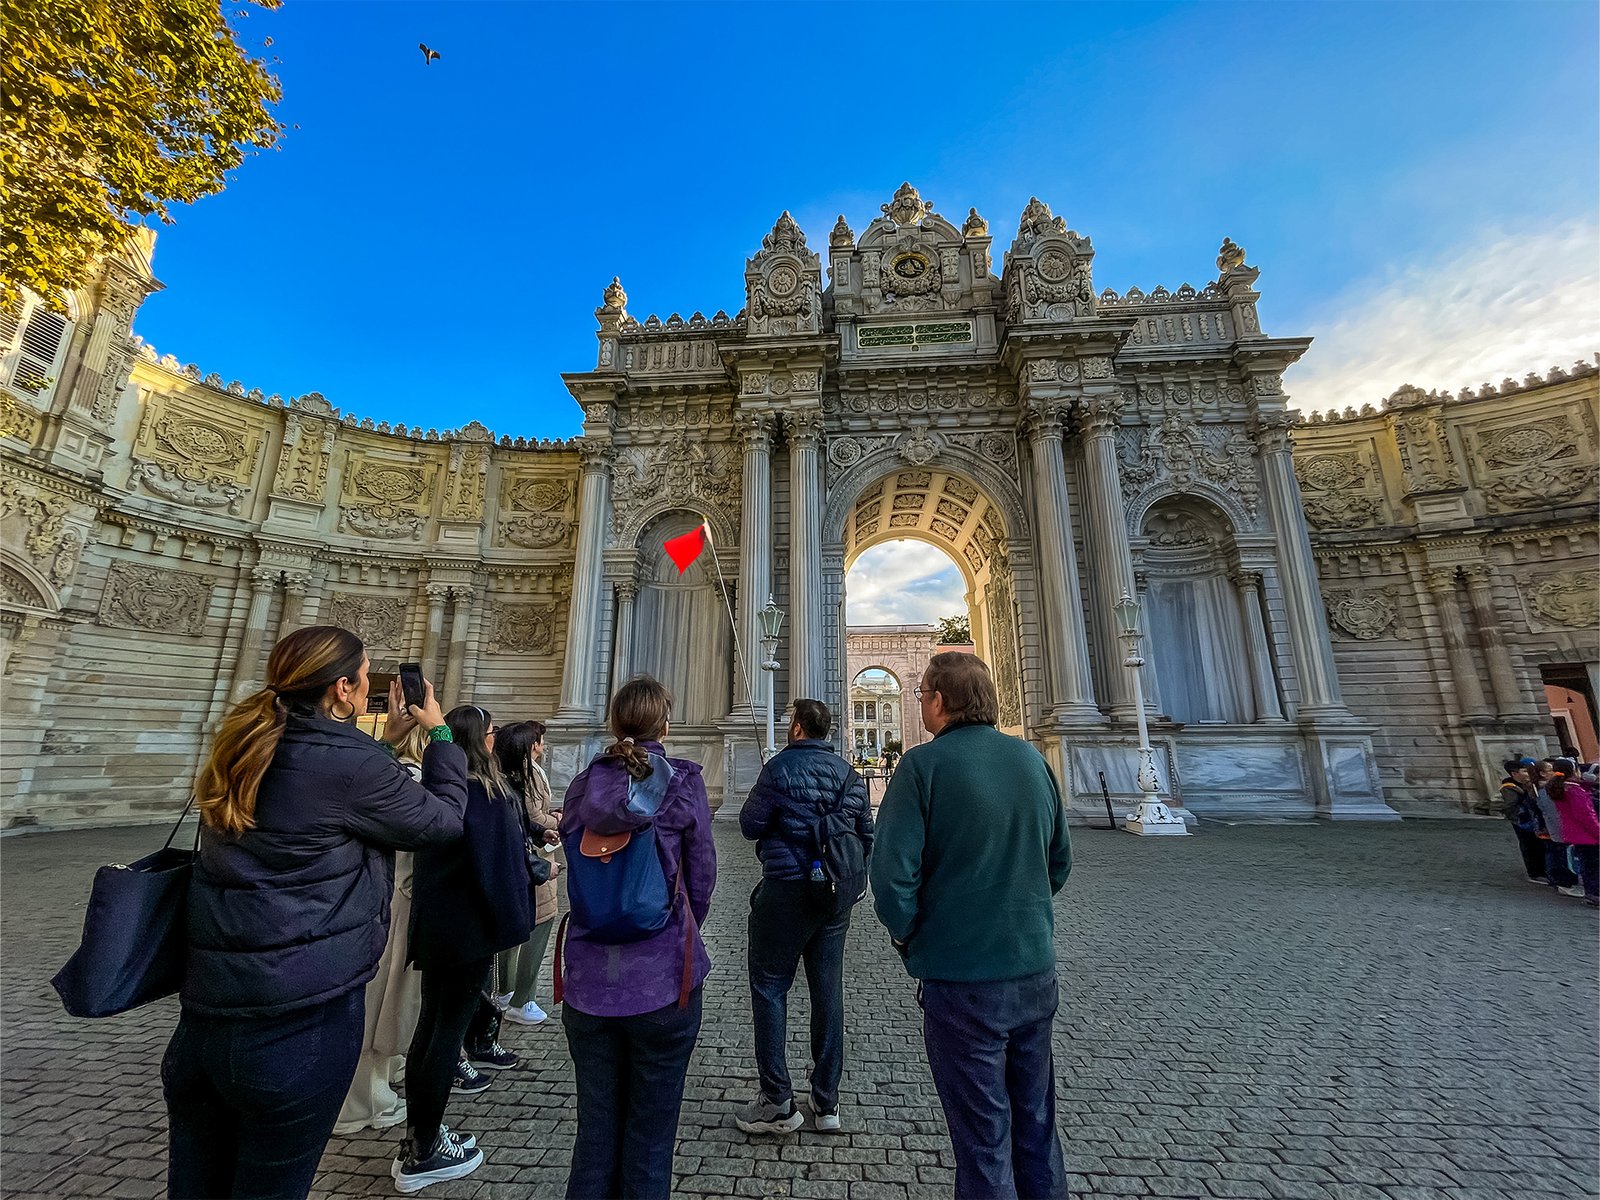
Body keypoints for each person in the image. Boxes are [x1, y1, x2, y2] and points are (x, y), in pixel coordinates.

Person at [163, 626, 468, 1200]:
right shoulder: (348, 764)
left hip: (206, 1017)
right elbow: (444, 821)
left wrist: (379, 746)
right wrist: (441, 735)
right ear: (343, 689)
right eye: (364, 677)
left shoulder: (241, 746)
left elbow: (316, 794)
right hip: (297, 1021)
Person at [871, 652, 1071, 1200]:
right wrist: (1019, 910)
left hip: (961, 981)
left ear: (938, 700)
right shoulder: (1032, 761)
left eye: (922, 696)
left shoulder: (922, 767)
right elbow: (1059, 863)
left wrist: (910, 934)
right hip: (1034, 971)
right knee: (1036, 1123)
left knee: (983, 1137)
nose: (920, 704)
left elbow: (891, 880)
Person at [556, 676, 716, 1200]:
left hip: (587, 985)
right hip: (661, 981)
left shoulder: (582, 786)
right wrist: (678, 924)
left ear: (613, 722)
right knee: (650, 1138)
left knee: (595, 1132)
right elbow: (702, 878)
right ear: (665, 726)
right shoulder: (684, 782)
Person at [399, 705, 532, 1193]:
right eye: (492, 732)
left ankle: (417, 1138)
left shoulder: (441, 792)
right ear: (480, 739)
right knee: (445, 1035)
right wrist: (511, 924)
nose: (497, 739)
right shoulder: (486, 793)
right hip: (471, 932)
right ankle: (425, 1150)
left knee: (431, 1029)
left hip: (437, 930)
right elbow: (498, 871)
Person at [735, 698, 872, 1135]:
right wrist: (841, 873)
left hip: (785, 891)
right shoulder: (850, 776)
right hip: (832, 899)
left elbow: (750, 825)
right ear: (826, 731)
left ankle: (777, 1099)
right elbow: (866, 835)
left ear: (796, 728)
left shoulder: (777, 770)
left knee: (770, 988)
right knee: (828, 993)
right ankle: (826, 1101)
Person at [495, 720, 562, 1025]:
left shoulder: (501, 772)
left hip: (527, 853)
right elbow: (532, 815)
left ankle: (505, 991)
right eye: (540, 741)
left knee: (515, 925)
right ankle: (523, 998)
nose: (543, 746)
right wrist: (556, 821)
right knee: (540, 922)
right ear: (531, 745)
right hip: (534, 861)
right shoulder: (528, 773)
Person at [1549, 758, 1600, 906]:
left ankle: (1592, 892)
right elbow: (1586, 816)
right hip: (1587, 834)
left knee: (1588, 864)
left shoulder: (1561, 788)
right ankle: (1595, 892)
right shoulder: (1574, 791)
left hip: (1576, 833)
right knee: (1593, 865)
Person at [1534, 760, 1585, 898]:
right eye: (1549, 769)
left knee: (1561, 855)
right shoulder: (1552, 790)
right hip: (1560, 829)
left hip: (1557, 828)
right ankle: (1564, 883)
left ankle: (1563, 881)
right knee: (1562, 856)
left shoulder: (1548, 789)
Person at [1498, 758, 1548, 886]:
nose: (1527, 773)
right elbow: (1510, 806)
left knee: (1538, 844)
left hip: (1531, 819)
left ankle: (1542, 870)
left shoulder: (1526, 783)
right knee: (1529, 845)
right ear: (1514, 773)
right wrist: (1517, 817)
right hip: (1522, 820)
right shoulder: (1509, 788)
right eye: (1524, 771)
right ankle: (1534, 873)